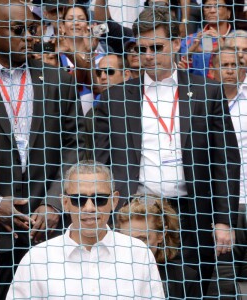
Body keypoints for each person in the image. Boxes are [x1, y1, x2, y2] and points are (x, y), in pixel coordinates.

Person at [93, 7, 240, 296]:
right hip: (133, 215)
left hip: (190, 215)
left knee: (185, 290)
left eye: (156, 47)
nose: (148, 55)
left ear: (175, 43)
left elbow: (225, 158)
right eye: (142, 48)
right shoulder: (115, 97)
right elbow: (99, 160)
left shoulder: (206, 92)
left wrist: (224, 220)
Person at [0, 0, 85, 299]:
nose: (30, 36)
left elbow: (75, 146)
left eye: (34, 28)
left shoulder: (58, 80)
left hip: (47, 228)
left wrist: (53, 203)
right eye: (19, 29)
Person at [6, 161, 165, 299]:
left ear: (114, 201)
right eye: (78, 200)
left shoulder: (139, 254)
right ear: (65, 202)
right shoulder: (37, 259)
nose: (89, 208)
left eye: (99, 199)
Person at [207, 47, 247, 298]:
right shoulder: (202, 103)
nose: (230, 69)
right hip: (222, 205)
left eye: (235, 64)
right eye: (224, 64)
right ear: (212, 70)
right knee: (224, 272)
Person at [117, 195, 201, 299]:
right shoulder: (106, 270)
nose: (133, 246)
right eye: (126, 239)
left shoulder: (185, 278)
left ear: (161, 235)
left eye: (142, 239)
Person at [179, 0, 233, 79]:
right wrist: (189, 54)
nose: (212, 10)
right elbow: (182, 74)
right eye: (207, 7)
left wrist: (223, 48)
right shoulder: (190, 40)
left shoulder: (239, 39)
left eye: (218, 6)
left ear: (229, 13)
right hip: (199, 88)